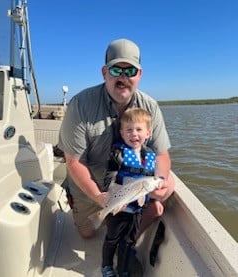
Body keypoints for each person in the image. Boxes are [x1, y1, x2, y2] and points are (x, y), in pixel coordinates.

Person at [58, 38, 175, 240]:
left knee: (167, 187)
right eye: (115, 70)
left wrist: (161, 181)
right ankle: (86, 205)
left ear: (139, 74)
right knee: (87, 233)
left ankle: (128, 240)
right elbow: (73, 161)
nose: (122, 77)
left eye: (129, 71)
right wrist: (100, 197)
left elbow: (162, 155)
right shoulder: (80, 105)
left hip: (133, 183)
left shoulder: (151, 106)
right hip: (92, 182)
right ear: (104, 72)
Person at [101, 108, 162, 277]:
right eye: (129, 130)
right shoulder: (118, 153)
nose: (134, 134)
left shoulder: (150, 155)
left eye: (139, 129)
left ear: (148, 133)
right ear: (121, 133)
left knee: (128, 241)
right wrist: (113, 199)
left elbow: (150, 180)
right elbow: (109, 178)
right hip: (119, 207)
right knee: (112, 239)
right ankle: (106, 267)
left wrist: (157, 186)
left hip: (137, 211)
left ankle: (123, 270)